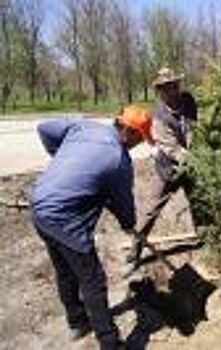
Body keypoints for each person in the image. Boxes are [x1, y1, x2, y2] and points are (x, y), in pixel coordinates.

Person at [30, 106, 152, 350]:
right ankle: (110, 343)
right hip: (65, 221)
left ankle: (77, 323)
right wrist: (128, 225)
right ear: (128, 131)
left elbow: (44, 129)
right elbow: (124, 206)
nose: (138, 144)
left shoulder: (84, 126)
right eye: (139, 138)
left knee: (65, 271)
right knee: (93, 282)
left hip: (39, 208)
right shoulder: (119, 161)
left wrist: (64, 159)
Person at [127, 67, 197, 263]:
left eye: (174, 85)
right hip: (170, 169)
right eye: (166, 88)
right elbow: (171, 149)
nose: (172, 90)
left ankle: (207, 236)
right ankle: (137, 246)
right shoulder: (158, 116)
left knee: (201, 204)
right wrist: (196, 162)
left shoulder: (188, 100)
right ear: (160, 91)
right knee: (152, 208)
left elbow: (195, 126)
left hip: (193, 165)